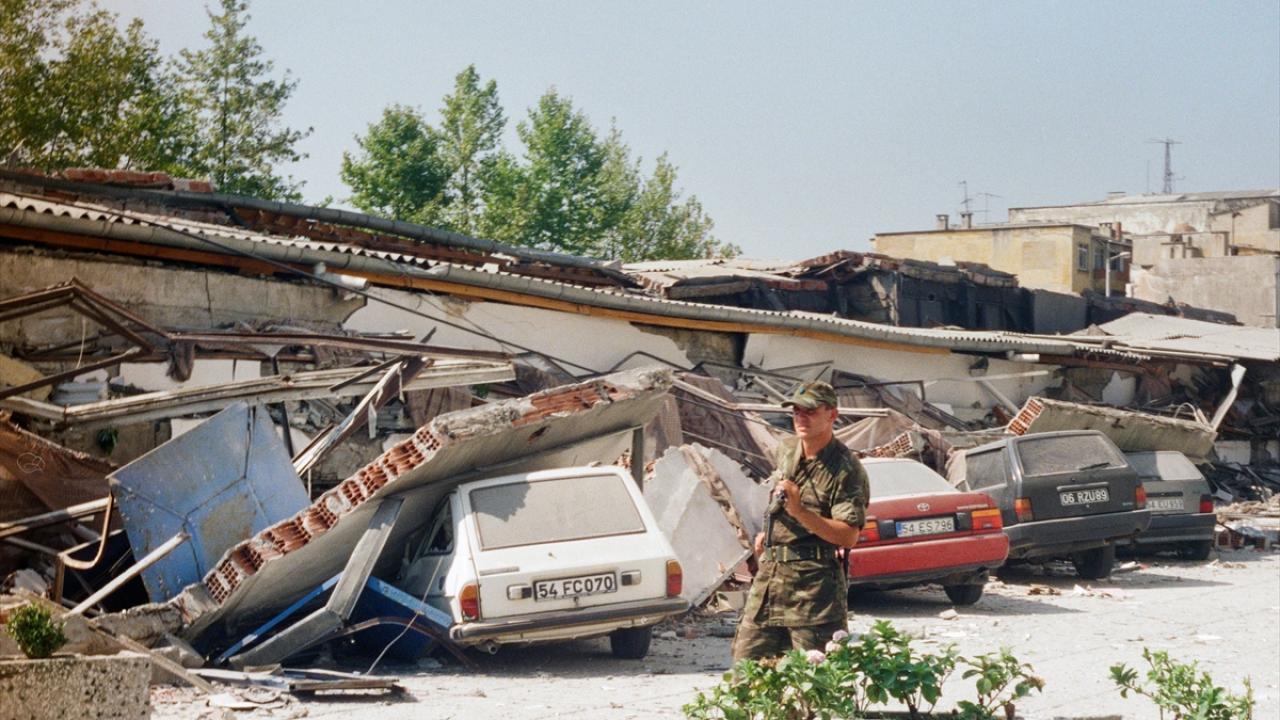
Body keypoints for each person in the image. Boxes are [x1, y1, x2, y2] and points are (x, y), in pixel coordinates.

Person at [731, 380, 870, 662]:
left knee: (815, 683)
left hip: (812, 591)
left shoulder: (845, 468)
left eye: (810, 411)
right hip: (770, 582)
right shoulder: (787, 450)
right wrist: (768, 539)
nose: (800, 418)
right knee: (747, 672)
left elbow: (848, 537)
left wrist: (800, 512)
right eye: (796, 411)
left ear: (832, 415)